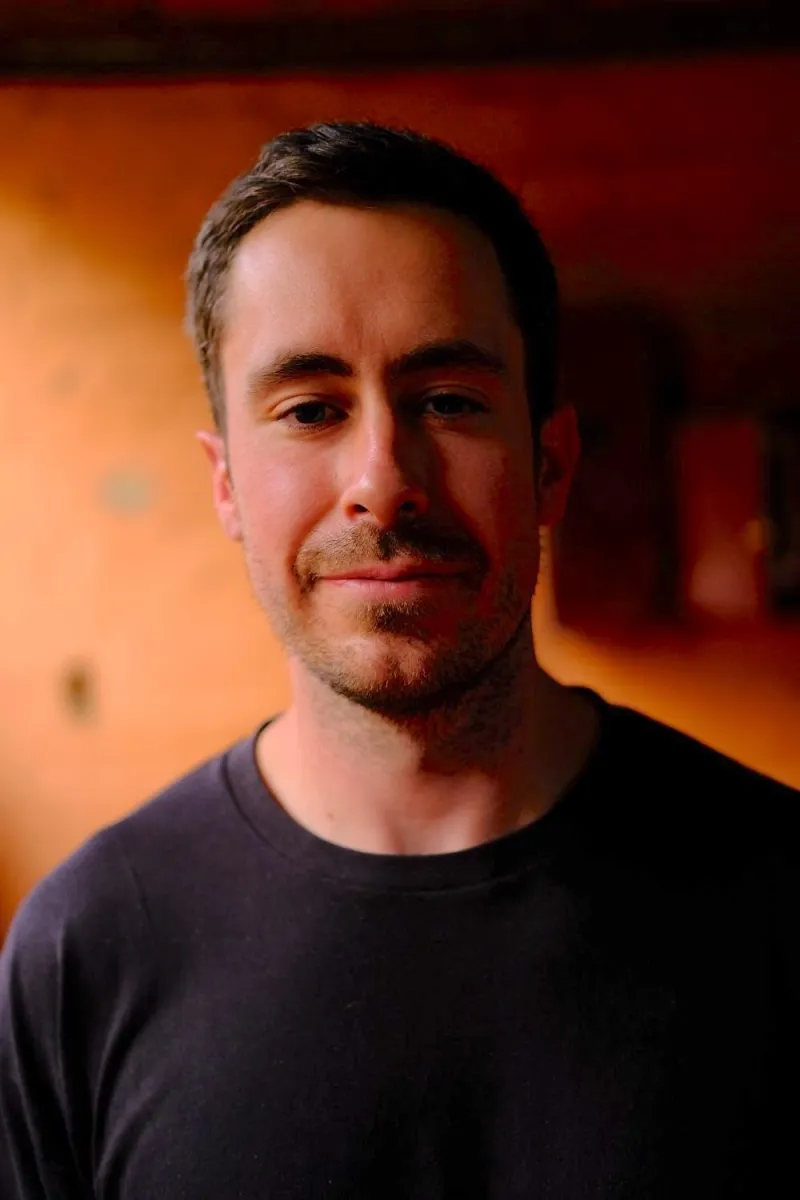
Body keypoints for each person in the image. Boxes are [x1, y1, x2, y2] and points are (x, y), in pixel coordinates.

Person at [0, 122, 797, 1200]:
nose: (383, 478)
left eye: (450, 402)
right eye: (311, 410)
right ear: (226, 482)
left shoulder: (773, 893)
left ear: (550, 461)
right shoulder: (88, 946)